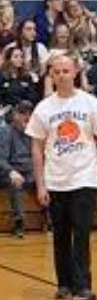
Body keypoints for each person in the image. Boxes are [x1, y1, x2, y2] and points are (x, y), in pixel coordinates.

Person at [25, 54, 97, 300]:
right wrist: (41, 183)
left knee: (82, 232)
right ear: (51, 75)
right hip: (55, 179)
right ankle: (63, 283)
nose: (62, 75)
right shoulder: (44, 108)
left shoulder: (90, 103)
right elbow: (36, 147)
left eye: (66, 70)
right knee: (61, 235)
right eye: (57, 71)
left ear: (75, 71)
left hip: (84, 177)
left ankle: (82, 286)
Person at [0, 101, 34, 238]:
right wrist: (11, 172)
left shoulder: (33, 132)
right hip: (12, 171)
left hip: (30, 170)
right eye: (22, 113)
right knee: (15, 183)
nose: (26, 117)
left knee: (50, 179)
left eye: (28, 114)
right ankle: (18, 223)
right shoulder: (6, 132)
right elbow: (1, 159)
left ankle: (51, 220)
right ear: (15, 115)